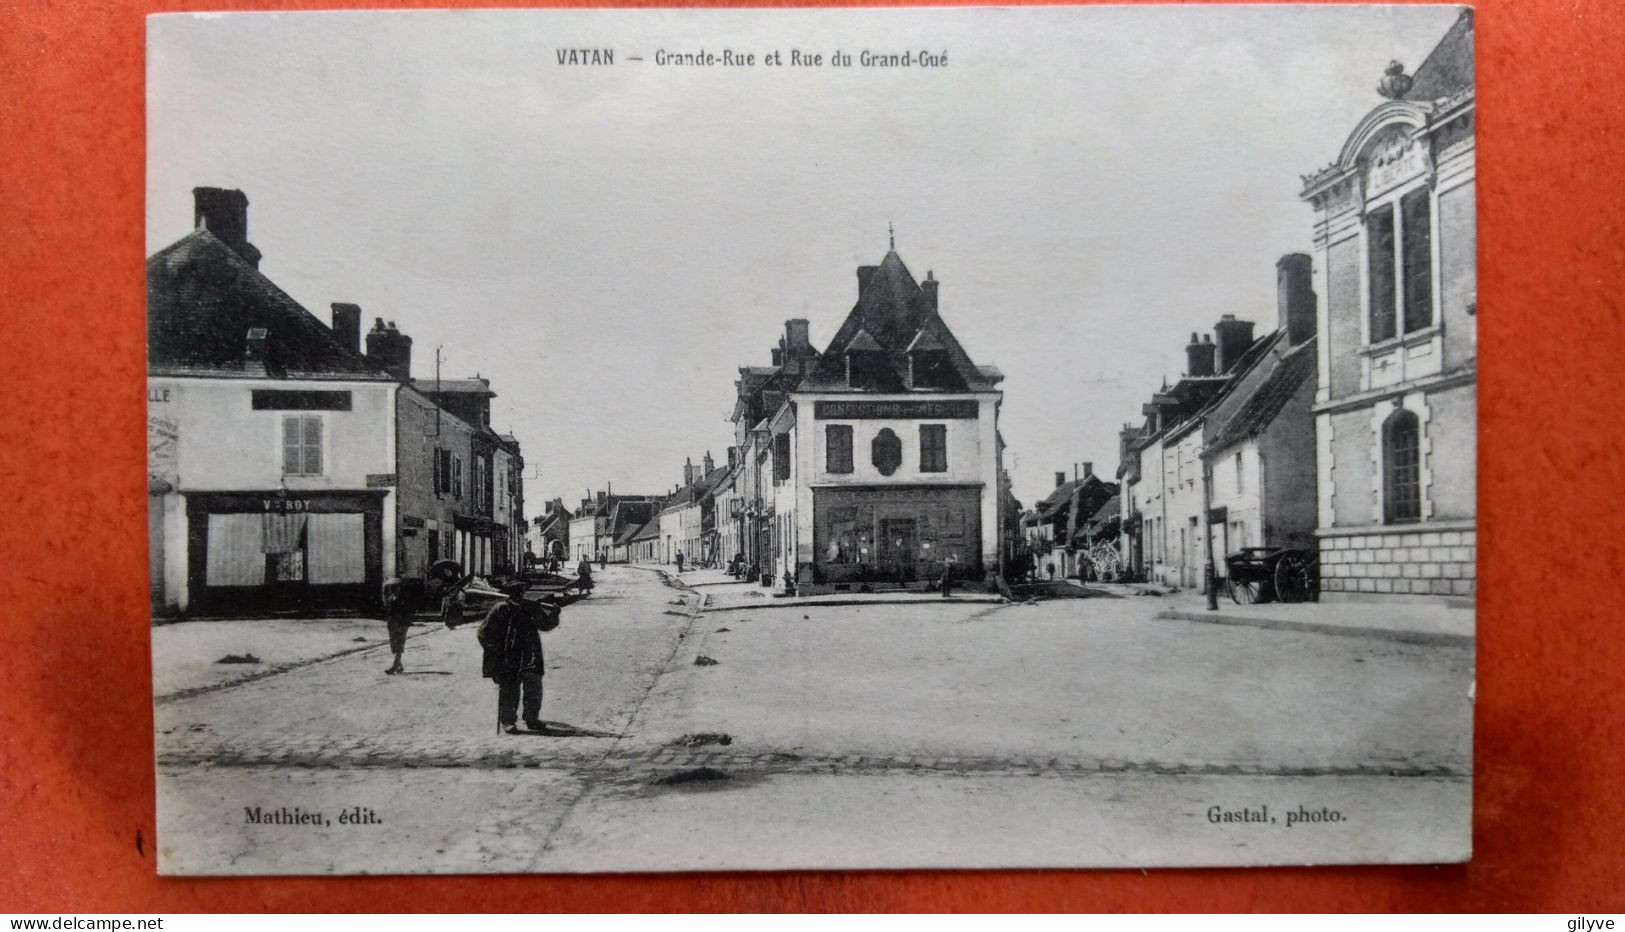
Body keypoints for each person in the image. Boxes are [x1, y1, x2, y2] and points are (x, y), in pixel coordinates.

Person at [477, 583, 548, 734]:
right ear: (509, 594)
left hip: (530, 654)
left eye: (521, 591)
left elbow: (545, 624)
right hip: (509, 656)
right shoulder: (500, 609)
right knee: (509, 688)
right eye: (516, 592)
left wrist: (554, 613)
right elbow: (484, 632)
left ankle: (532, 719)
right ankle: (508, 721)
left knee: (534, 687)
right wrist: (495, 651)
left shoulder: (530, 607)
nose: (520, 594)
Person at [380, 574, 446, 675]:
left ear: (399, 588)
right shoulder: (389, 599)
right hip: (392, 623)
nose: (394, 590)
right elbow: (388, 611)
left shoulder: (404, 600)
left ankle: (395, 664)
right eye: (392, 588)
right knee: (393, 644)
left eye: (396, 588)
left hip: (402, 623)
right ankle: (399, 665)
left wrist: (407, 620)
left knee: (399, 643)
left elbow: (409, 611)